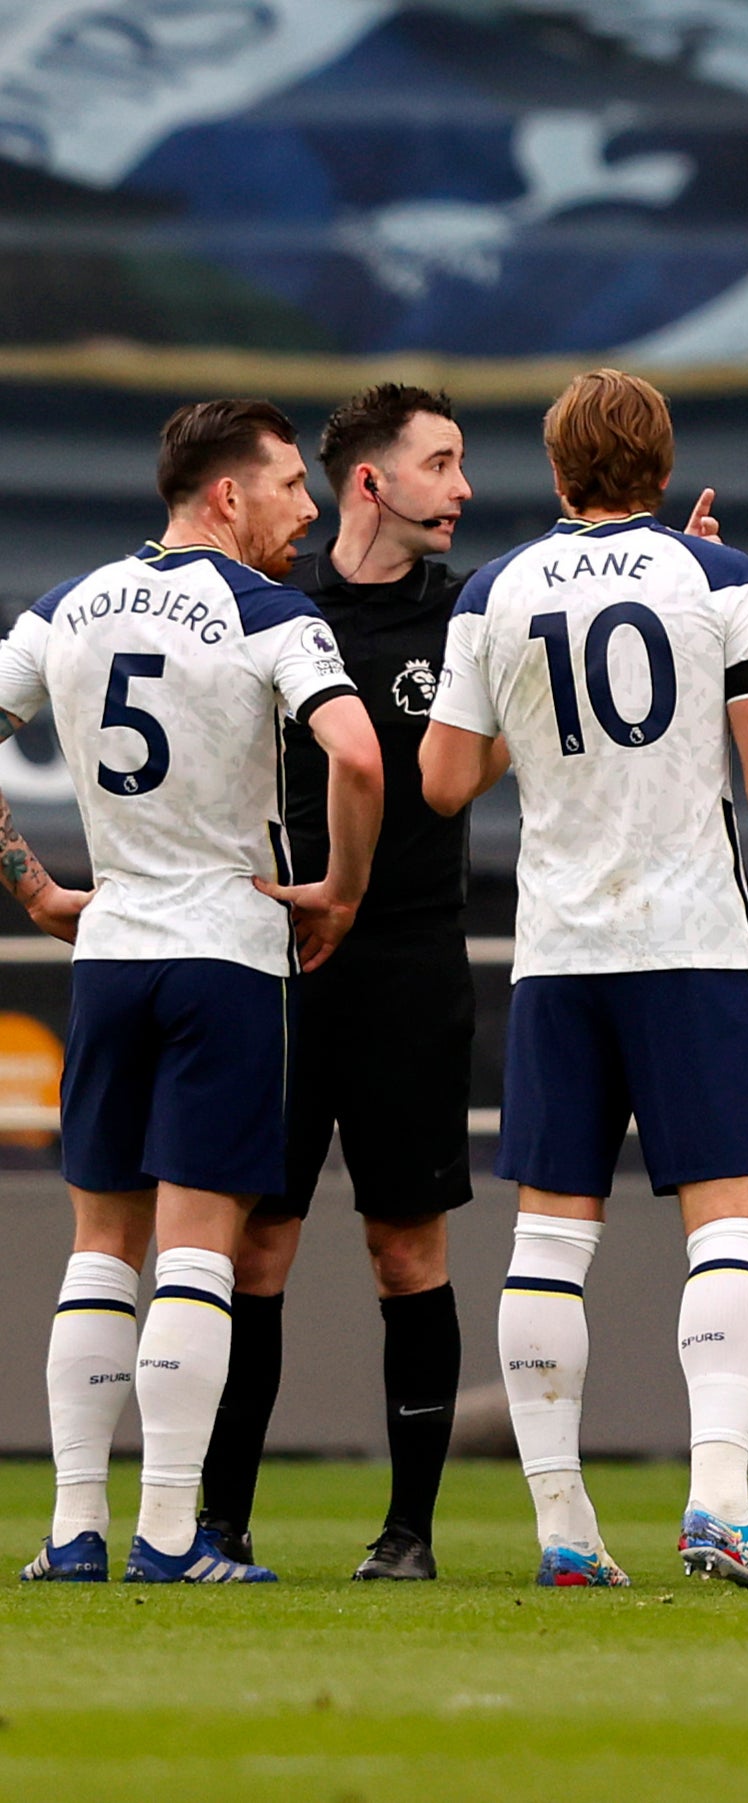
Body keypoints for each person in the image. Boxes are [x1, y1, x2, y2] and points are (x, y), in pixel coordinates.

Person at [195, 385, 728, 1583]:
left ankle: (407, 1536)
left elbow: (479, 762)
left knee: (406, 1249)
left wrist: (672, 591)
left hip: (412, 962)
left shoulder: (476, 611)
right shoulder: (274, 612)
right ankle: (219, 1526)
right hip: (277, 959)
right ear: (369, 483)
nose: (465, 489)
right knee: (257, 1249)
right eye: (441, 464)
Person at [420, 369, 748, 1590]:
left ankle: (561, 1530)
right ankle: (718, 1506)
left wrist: (528, 704)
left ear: (557, 473)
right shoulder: (720, 578)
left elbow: (445, 783)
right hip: (691, 943)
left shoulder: (496, 590)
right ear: (661, 467)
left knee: (549, 1239)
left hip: (559, 951)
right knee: (728, 1226)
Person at [10, 399, 383, 1583]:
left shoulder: (63, 606)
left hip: (111, 945)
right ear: (225, 496)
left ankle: (71, 1531)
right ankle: (171, 1533)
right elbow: (360, 754)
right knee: (200, 1251)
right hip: (226, 948)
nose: (306, 510)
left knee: (98, 1247)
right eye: (287, 486)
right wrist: (340, 891)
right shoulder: (270, 610)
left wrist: (32, 886)